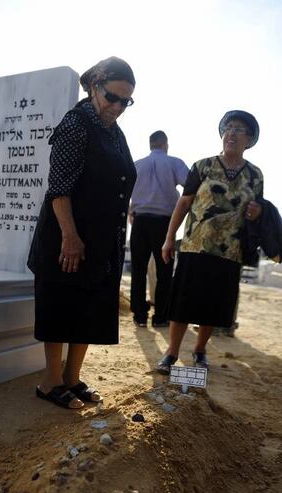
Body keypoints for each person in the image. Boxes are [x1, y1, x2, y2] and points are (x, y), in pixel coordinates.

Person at [28, 57, 137, 409]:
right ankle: (50, 381)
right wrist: (70, 236)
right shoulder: (76, 124)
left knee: (88, 308)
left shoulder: (114, 132)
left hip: (102, 238)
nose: (118, 107)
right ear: (95, 87)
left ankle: (72, 378)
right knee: (62, 304)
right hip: (68, 234)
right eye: (113, 97)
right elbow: (58, 188)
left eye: (126, 101)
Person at [157, 110, 263, 374]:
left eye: (239, 129)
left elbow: (257, 209)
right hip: (195, 246)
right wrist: (169, 238)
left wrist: (257, 212)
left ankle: (200, 350)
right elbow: (184, 203)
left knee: (213, 306)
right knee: (182, 303)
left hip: (230, 251)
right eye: (228, 128)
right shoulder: (203, 166)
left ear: (249, 139)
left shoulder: (255, 175)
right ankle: (171, 353)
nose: (231, 133)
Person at [129, 131, 188, 328]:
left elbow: (125, 192)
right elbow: (190, 187)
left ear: (150, 144)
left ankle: (139, 315)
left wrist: (131, 213)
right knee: (164, 272)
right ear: (165, 144)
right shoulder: (174, 163)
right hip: (164, 224)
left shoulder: (137, 165)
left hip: (140, 222)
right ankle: (161, 316)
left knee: (138, 271)